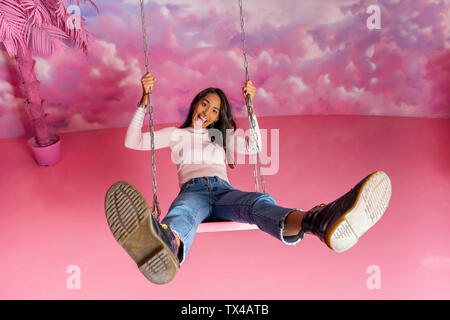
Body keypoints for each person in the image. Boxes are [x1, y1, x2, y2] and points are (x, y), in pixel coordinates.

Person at [104, 72, 392, 285]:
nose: (207, 112)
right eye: (204, 104)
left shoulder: (221, 137)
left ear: (218, 118)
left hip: (223, 192)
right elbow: (133, 141)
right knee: (184, 212)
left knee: (257, 203)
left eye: (214, 110)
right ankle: (167, 245)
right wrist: (143, 101)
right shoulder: (175, 134)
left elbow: (255, 148)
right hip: (192, 192)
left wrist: (251, 105)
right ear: (195, 104)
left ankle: (316, 220)